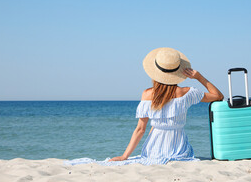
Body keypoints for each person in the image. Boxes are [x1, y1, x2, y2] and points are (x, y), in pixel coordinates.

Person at [64, 47, 223, 166]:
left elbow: (140, 129)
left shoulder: (147, 95)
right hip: (179, 150)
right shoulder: (187, 93)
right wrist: (199, 77)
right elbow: (218, 96)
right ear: (178, 72)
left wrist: (125, 156)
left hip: (152, 149)